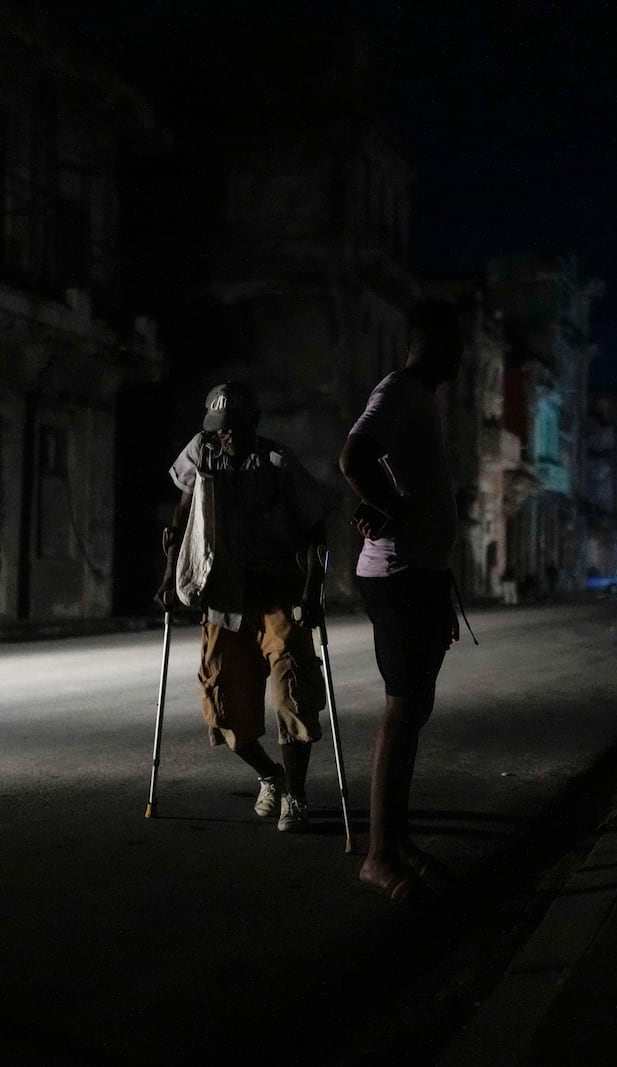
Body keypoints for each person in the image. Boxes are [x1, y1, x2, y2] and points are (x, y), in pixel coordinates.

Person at [154, 382, 331, 832]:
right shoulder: (201, 452)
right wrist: (169, 577)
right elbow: (180, 518)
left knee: (293, 692)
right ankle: (269, 775)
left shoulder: (278, 462)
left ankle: (296, 793)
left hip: (277, 596)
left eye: (234, 429)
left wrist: (312, 593)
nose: (225, 438)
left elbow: (316, 530)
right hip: (223, 599)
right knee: (225, 708)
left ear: (254, 423)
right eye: (218, 429)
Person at [339, 298, 463, 903]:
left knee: (413, 711)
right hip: (400, 573)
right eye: (458, 345)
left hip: (423, 572)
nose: (464, 357)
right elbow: (353, 457)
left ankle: (398, 839)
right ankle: (379, 854)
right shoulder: (399, 390)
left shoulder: (421, 397)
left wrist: (397, 504)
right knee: (402, 709)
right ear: (434, 344)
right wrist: (394, 508)